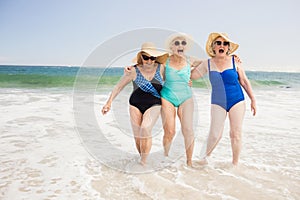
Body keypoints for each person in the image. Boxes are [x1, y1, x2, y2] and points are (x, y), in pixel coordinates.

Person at [191, 32, 257, 166]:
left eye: (225, 43)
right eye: (218, 43)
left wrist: (253, 100)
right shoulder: (207, 64)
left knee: (235, 133)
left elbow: (244, 81)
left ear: (228, 47)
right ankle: (204, 159)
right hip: (218, 102)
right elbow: (193, 76)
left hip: (236, 100)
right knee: (215, 134)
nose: (222, 46)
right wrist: (195, 63)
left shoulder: (234, 61)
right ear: (213, 46)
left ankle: (235, 164)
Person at [101, 42, 168, 165]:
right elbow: (118, 87)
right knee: (138, 136)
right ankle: (141, 158)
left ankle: (144, 162)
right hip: (135, 104)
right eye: (146, 57)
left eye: (152, 58)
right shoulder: (133, 70)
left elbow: (176, 77)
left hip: (154, 103)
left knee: (146, 128)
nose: (149, 61)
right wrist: (108, 103)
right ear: (141, 57)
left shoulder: (162, 68)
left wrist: (188, 81)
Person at [160, 33, 198, 167]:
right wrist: (132, 69)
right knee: (170, 131)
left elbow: (211, 63)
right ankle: (165, 157)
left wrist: (232, 57)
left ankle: (189, 162)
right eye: (176, 43)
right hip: (167, 97)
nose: (180, 45)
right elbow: (148, 66)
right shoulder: (165, 61)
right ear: (171, 47)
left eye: (183, 43)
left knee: (188, 130)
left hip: (186, 97)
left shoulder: (191, 60)